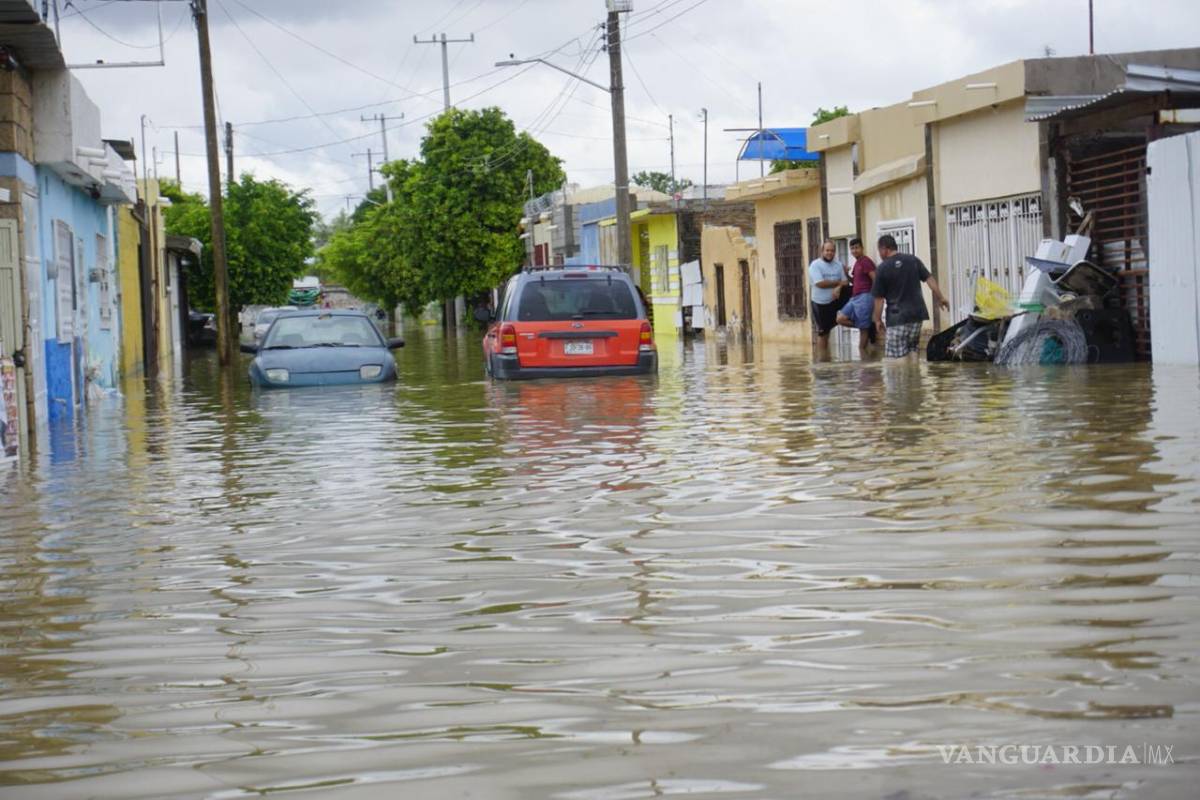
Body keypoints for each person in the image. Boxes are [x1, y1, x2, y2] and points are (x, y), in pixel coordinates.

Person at [871, 234, 949, 361]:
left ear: (885, 249)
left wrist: (877, 319)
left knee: (894, 359)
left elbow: (879, 299)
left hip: (897, 317)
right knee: (913, 351)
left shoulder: (882, 268)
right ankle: (914, 378)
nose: (879, 254)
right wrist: (941, 298)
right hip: (917, 315)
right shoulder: (913, 260)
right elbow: (929, 278)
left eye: (879, 250)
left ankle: (903, 380)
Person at [836, 237, 877, 352]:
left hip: (865, 297)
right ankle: (867, 326)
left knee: (863, 330)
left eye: (857, 248)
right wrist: (845, 274)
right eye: (852, 248)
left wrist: (873, 296)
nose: (855, 250)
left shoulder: (866, 261)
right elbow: (854, 281)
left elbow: (875, 278)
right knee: (840, 318)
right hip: (854, 298)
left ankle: (862, 355)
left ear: (862, 248)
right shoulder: (857, 263)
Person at [809, 239, 846, 356]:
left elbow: (845, 282)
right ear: (822, 251)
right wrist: (837, 283)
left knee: (828, 329)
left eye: (832, 251)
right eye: (827, 250)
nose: (830, 253)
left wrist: (839, 286)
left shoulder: (838, 265)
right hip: (819, 303)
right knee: (823, 332)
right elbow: (820, 283)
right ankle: (823, 360)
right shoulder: (815, 265)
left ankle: (826, 357)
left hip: (834, 301)